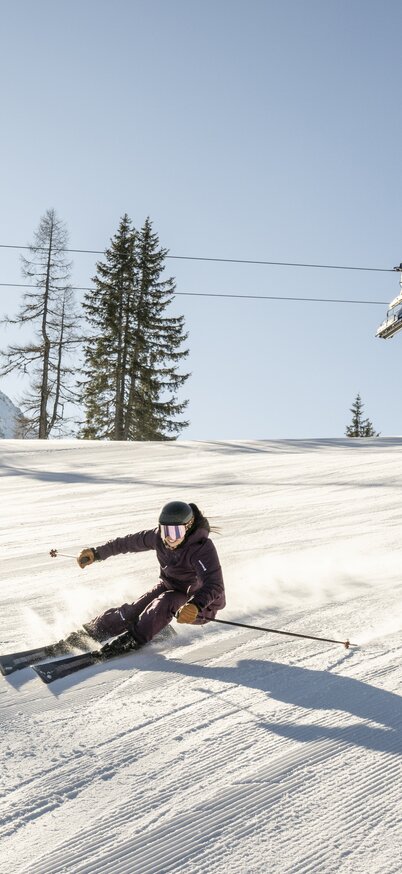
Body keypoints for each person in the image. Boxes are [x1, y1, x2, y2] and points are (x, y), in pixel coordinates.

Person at [72, 501, 225, 657]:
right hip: (170, 586)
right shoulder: (158, 538)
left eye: (176, 532)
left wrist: (195, 605)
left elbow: (215, 584)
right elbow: (127, 543)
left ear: (187, 527)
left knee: (165, 602)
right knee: (134, 609)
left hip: (201, 604)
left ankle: (134, 638)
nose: (170, 538)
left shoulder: (201, 548)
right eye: (166, 531)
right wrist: (97, 553)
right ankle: (97, 630)